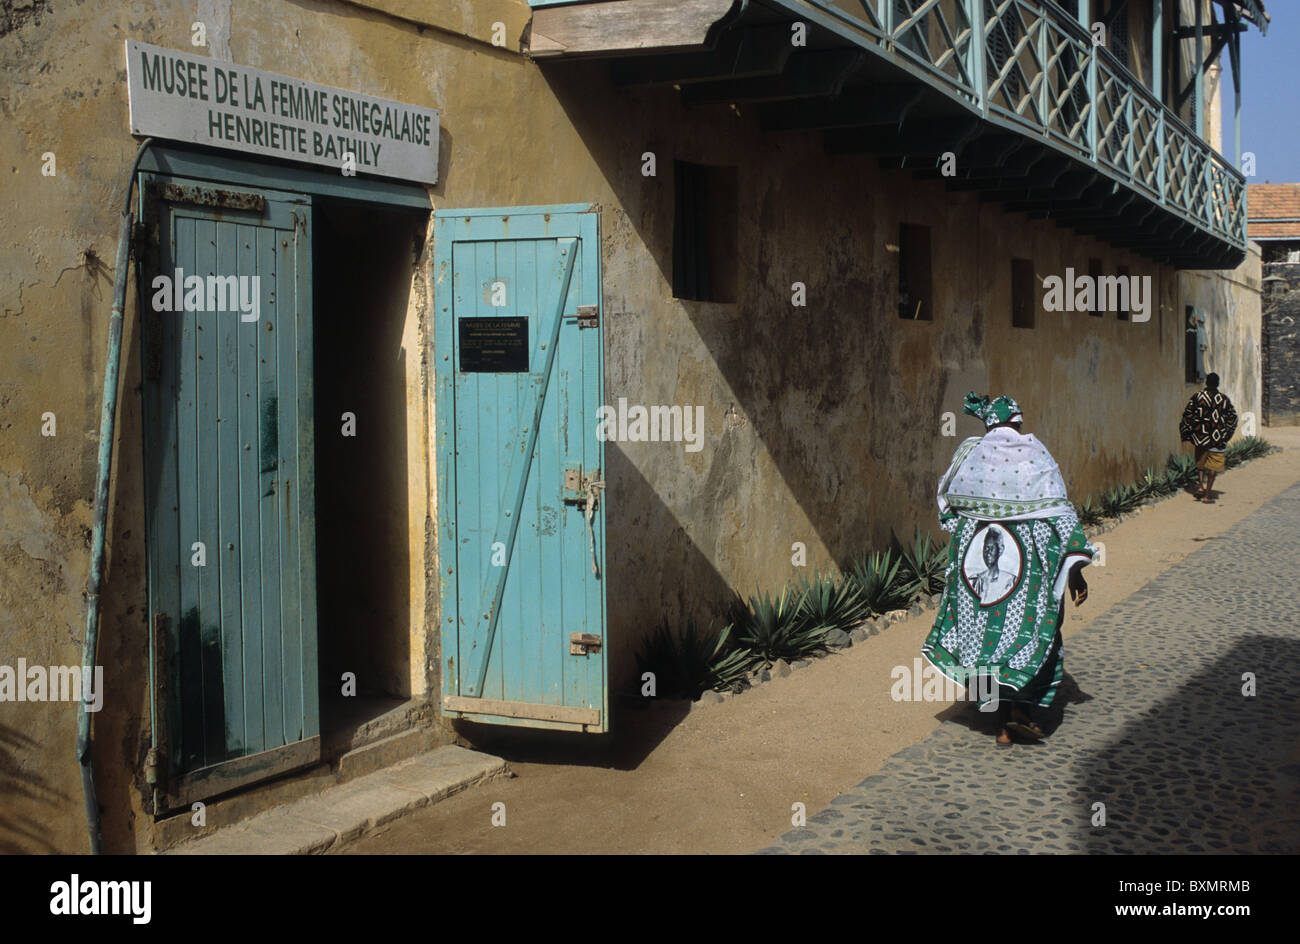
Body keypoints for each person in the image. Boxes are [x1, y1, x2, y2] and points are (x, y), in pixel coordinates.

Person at [922, 393, 1094, 747]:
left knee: (987, 640)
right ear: (1016, 421)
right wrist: (1075, 570)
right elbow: (1062, 516)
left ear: (988, 423)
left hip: (976, 581)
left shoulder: (970, 455)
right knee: (1030, 634)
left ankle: (1002, 723)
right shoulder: (1035, 454)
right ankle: (1022, 711)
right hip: (1027, 574)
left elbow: (947, 509)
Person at [1180, 373, 1237, 503]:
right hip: (1217, 440)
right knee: (1213, 467)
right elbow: (1233, 418)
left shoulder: (1198, 397)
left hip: (1201, 438)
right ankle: (1207, 494)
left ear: (1206, 382)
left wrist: (1189, 433)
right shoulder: (1223, 399)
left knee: (1201, 463)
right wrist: (1226, 434)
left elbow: (1187, 415)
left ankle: (1200, 486)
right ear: (1218, 383)